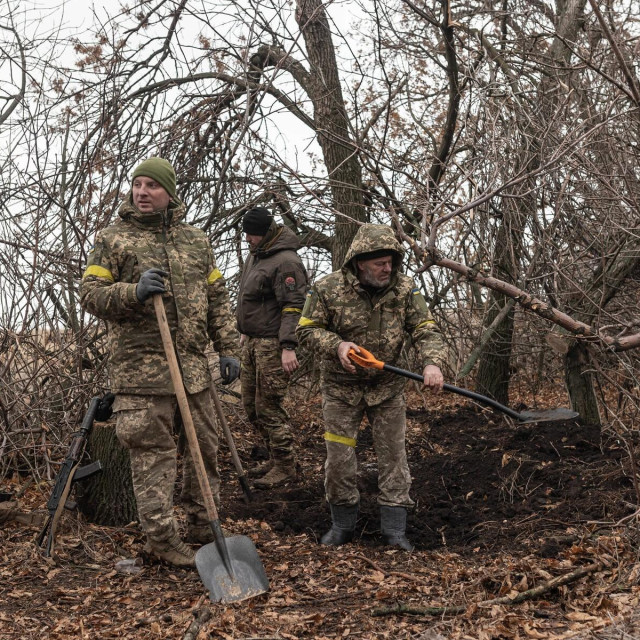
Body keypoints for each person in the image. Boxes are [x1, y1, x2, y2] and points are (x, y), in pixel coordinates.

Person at [80, 157, 240, 568]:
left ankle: (207, 527)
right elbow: (90, 294)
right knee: (153, 457)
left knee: (205, 449)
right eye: (137, 184)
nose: (141, 192)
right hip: (142, 374)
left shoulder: (195, 241)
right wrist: (133, 292)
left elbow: (217, 298)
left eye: (151, 185)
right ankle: (162, 539)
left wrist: (227, 347)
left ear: (169, 193)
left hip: (191, 370)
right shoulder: (113, 239)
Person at [296, 223, 445, 551]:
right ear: (360, 261)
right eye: (380, 263)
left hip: (388, 389)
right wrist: (337, 346)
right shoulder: (327, 289)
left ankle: (394, 530)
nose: (387, 268)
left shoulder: (405, 290)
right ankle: (342, 525)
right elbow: (306, 330)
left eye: (391, 262)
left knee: (394, 457)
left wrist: (432, 362)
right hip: (340, 390)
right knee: (340, 458)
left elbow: (425, 328)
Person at [236, 207, 309, 488]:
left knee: (269, 408)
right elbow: (250, 299)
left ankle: (286, 465)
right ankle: (276, 459)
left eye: (251, 234)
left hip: (273, 345)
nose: (247, 239)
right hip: (253, 341)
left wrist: (288, 346)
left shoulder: (286, 261)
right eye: (246, 233)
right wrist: (245, 331)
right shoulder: (257, 255)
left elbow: (294, 307)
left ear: (265, 232)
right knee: (251, 407)